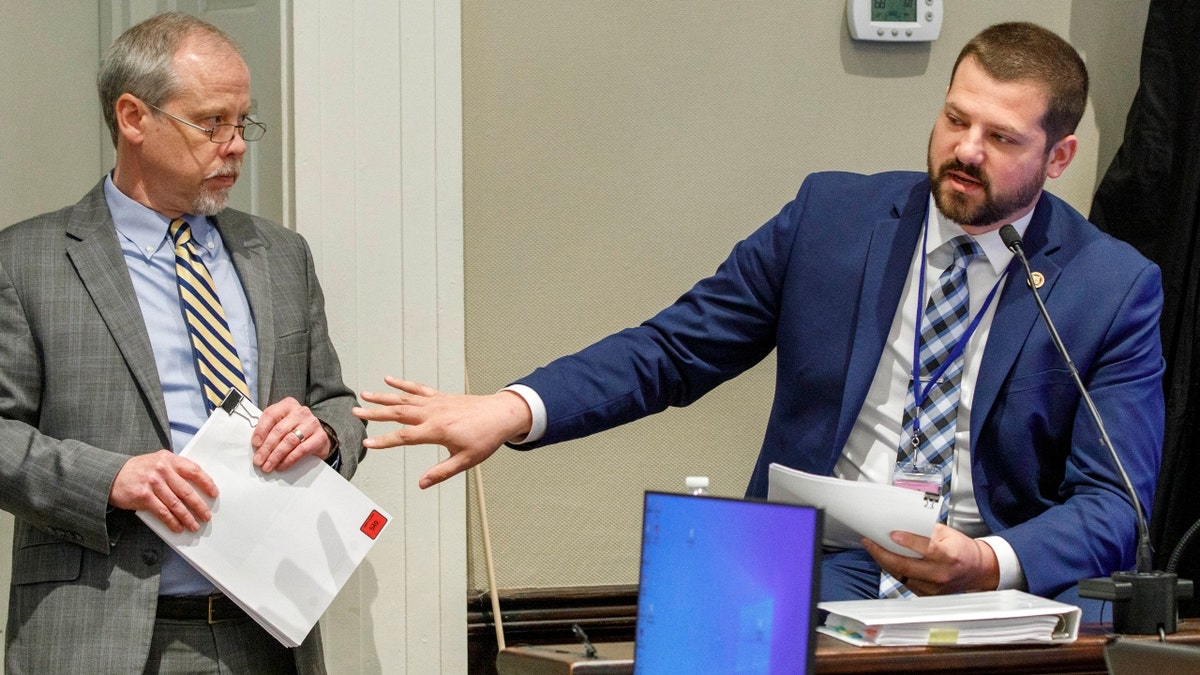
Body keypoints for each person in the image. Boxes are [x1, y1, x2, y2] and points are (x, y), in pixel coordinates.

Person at [354, 22, 1163, 612]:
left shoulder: (1110, 288)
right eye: (955, 118)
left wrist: (987, 561)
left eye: (1001, 137)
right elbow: (673, 349)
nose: (965, 150)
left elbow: (1113, 505)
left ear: (1058, 159)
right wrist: (512, 407)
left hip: (989, 582)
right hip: (812, 560)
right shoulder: (832, 219)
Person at [0, 12, 364, 674]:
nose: (236, 145)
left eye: (243, 122)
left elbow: (336, 401)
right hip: (102, 638)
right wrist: (110, 478)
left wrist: (325, 433)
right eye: (211, 123)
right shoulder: (26, 262)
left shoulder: (280, 255)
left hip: (268, 637)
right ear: (134, 118)